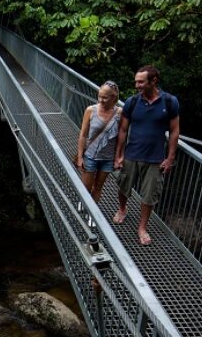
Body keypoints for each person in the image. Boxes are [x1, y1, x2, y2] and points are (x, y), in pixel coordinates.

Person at [113, 65, 180, 245]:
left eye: (141, 81)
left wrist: (170, 158)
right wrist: (118, 155)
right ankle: (122, 209)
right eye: (136, 81)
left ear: (153, 81)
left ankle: (142, 227)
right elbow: (123, 130)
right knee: (123, 185)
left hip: (155, 157)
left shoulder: (169, 102)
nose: (137, 85)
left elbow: (174, 131)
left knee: (150, 195)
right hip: (131, 153)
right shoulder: (132, 102)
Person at [75, 80, 122, 204]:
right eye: (99, 96)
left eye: (105, 97)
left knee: (98, 188)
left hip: (108, 158)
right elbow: (83, 134)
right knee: (86, 187)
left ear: (113, 97)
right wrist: (80, 157)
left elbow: (122, 137)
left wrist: (118, 158)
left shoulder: (119, 113)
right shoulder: (90, 110)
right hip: (90, 156)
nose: (101, 100)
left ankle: (92, 216)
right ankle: (83, 204)